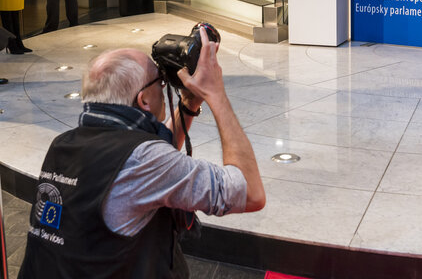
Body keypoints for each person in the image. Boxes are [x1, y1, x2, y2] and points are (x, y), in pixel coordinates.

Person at [18, 29, 266, 278]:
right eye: (160, 81)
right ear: (144, 100)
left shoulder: (64, 144)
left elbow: (146, 161)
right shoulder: (142, 160)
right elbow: (250, 192)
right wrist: (216, 93)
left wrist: (189, 104)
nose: (164, 84)